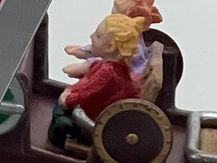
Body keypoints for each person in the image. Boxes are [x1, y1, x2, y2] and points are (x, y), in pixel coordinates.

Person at [48, 12, 146, 148]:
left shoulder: (108, 72)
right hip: (98, 109)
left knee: (60, 124)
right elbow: (86, 81)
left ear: (110, 47)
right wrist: (71, 90)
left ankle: (67, 140)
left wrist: (68, 100)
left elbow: (88, 91)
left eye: (98, 36)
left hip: (100, 121)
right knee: (60, 109)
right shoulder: (106, 65)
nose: (91, 36)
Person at [63, 0, 162, 81]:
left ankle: (84, 66)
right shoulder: (118, 34)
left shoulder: (134, 47)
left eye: (116, 15)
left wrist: (87, 64)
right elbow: (105, 45)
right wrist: (86, 50)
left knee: (99, 65)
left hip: (124, 75)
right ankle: (86, 52)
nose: (112, 17)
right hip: (111, 60)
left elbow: (113, 61)